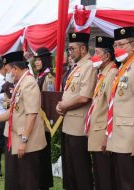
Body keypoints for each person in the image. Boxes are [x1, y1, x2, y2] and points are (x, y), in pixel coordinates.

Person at [0, 51, 47, 190]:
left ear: (15, 68)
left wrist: (24, 140)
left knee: (27, 180)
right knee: (15, 179)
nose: (7, 73)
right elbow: (13, 111)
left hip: (26, 142)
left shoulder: (29, 84)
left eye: (8, 70)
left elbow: (32, 114)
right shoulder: (20, 83)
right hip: (15, 137)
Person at [56, 32, 97, 190]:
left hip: (79, 127)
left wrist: (63, 106)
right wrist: (62, 105)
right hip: (69, 124)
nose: (70, 52)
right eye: (68, 49)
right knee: (70, 169)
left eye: (72, 49)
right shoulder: (77, 67)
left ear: (83, 48)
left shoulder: (90, 67)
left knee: (81, 170)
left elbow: (84, 97)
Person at [85, 36, 117, 190]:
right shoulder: (103, 74)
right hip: (96, 132)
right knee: (98, 176)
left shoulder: (112, 74)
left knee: (105, 178)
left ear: (106, 56)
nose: (94, 56)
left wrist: (107, 135)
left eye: (97, 52)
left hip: (102, 134)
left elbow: (113, 107)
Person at [106, 26, 134, 190]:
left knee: (128, 182)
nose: (117, 49)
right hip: (118, 136)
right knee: (120, 181)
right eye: (115, 45)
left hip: (128, 138)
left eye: (121, 45)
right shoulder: (124, 68)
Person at [33, 47, 54, 190]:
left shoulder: (48, 77)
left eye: (39, 59)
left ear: (45, 60)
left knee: (43, 156)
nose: (36, 62)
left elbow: (50, 101)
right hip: (37, 122)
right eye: (36, 59)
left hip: (44, 123)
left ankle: (44, 185)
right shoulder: (39, 76)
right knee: (38, 156)